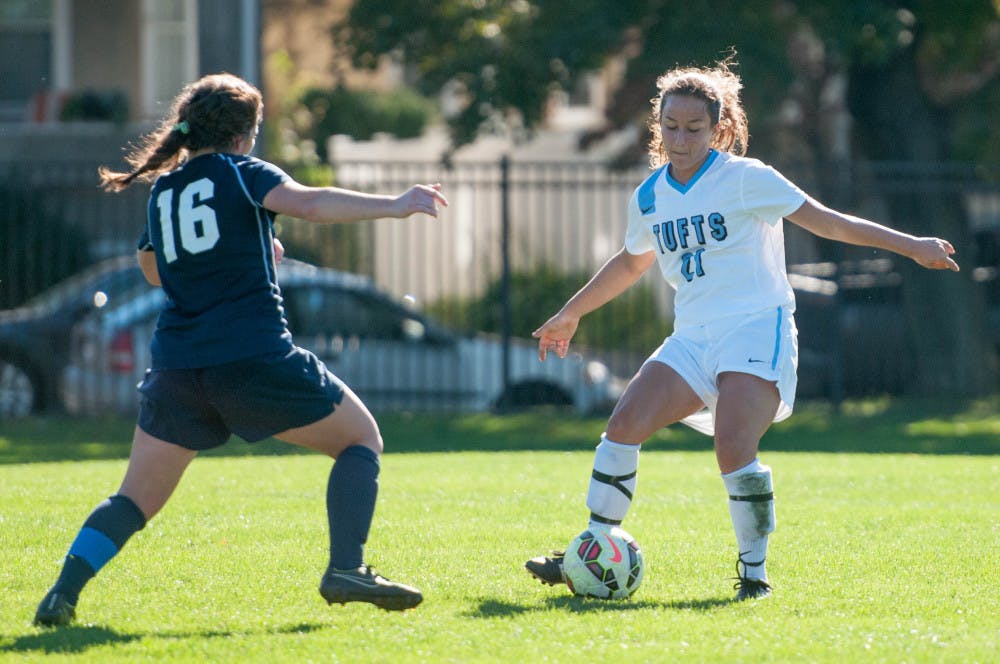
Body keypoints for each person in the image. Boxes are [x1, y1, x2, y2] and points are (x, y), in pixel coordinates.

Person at [524, 56, 958, 601]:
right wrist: (572, 312)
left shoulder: (748, 179)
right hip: (693, 336)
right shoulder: (650, 195)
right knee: (622, 425)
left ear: (719, 128)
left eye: (694, 128)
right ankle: (589, 550)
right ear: (658, 126)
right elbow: (632, 261)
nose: (680, 139)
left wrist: (912, 246)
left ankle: (754, 575)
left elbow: (829, 221)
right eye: (671, 127)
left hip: (756, 327)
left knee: (733, 446)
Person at [34, 73, 448, 626]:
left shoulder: (166, 188)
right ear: (245, 134)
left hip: (178, 369)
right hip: (252, 357)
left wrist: (245, 246)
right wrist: (396, 203)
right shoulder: (241, 171)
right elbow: (313, 204)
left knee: (132, 500)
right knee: (360, 439)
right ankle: (347, 568)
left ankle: (61, 594)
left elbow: (152, 269)